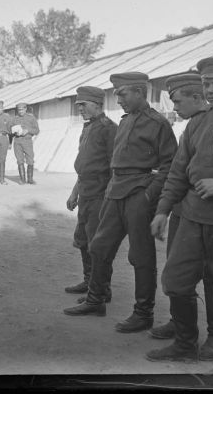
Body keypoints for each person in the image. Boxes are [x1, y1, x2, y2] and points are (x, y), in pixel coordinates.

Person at [147, 58, 213, 373]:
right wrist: (162, 210)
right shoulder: (196, 124)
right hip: (192, 217)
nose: (211, 90)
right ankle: (185, 345)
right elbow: (177, 171)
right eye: (206, 84)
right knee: (175, 280)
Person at [64, 72, 177, 333]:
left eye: (123, 94)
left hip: (138, 193)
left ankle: (143, 313)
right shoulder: (126, 121)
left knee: (141, 256)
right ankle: (96, 300)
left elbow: (170, 164)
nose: (119, 99)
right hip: (115, 192)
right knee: (99, 247)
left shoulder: (157, 123)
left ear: (140, 92)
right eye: (116, 94)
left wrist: (150, 194)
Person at [64, 87, 117, 296]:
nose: (80, 109)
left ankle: (102, 289)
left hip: (100, 193)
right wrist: (74, 193)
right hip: (85, 191)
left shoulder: (109, 128)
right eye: (78, 106)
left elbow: (115, 166)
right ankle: (89, 282)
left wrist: (108, 198)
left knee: (98, 244)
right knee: (83, 239)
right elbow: (84, 166)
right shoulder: (87, 128)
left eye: (83, 105)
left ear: (97, 104)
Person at [11, 102, 40, 185]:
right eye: (19, 110)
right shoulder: (14, 119)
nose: (20, 111)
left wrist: (28, 130)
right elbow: (10, 131)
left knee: (30, 160)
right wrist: (14, 132)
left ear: (25, 109)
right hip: (17, 142)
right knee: (20, 160)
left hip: (27, 141)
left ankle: (30, 179)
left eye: (22, 109)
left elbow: (37, 130)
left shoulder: (31, 118)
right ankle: (22, 179)